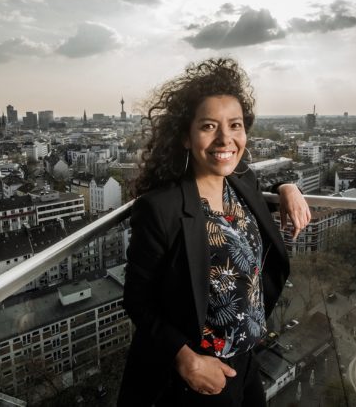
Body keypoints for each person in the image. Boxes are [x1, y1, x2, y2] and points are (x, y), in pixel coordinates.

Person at [117, 58, 311, 406]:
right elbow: (137, 300)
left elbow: (261, 184)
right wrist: (185, 358)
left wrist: (288, 187)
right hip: (199, 371)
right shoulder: (161, 209)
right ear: (186, 137)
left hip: (248, 358)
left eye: (235, 125)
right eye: (208, 126)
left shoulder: (241, 183)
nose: (226, 138)